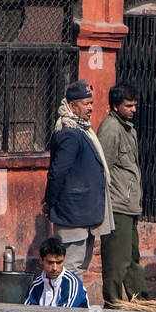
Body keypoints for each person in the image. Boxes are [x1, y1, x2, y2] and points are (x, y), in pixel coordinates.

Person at [44, 80, 113, 273]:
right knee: (71, 267)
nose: (90, 108)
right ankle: (65, 303)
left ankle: (73, 302)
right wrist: (50, 201)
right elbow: (57, 173)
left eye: (91, 103)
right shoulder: (70, 133)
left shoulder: (82, 130)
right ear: (72, 106)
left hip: (84, 212)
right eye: (85, 104)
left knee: (81, 265)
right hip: (72, 212)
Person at [96, 83, 148, 306]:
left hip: (129, 204)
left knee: (132, 257)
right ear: (115, 106)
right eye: (128, 106)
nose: (133, 109)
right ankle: (114, 301)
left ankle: (141, 300)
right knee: (117, 260)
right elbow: (102, 168)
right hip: (117, 204)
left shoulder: (127, 128)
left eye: (135, 105)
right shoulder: (111, 129)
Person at [23, 237, 89, 308]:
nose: (54, 268)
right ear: (41, 260)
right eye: (50, 262)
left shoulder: (72, 283)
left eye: (59, 262)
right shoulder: (36, 286)